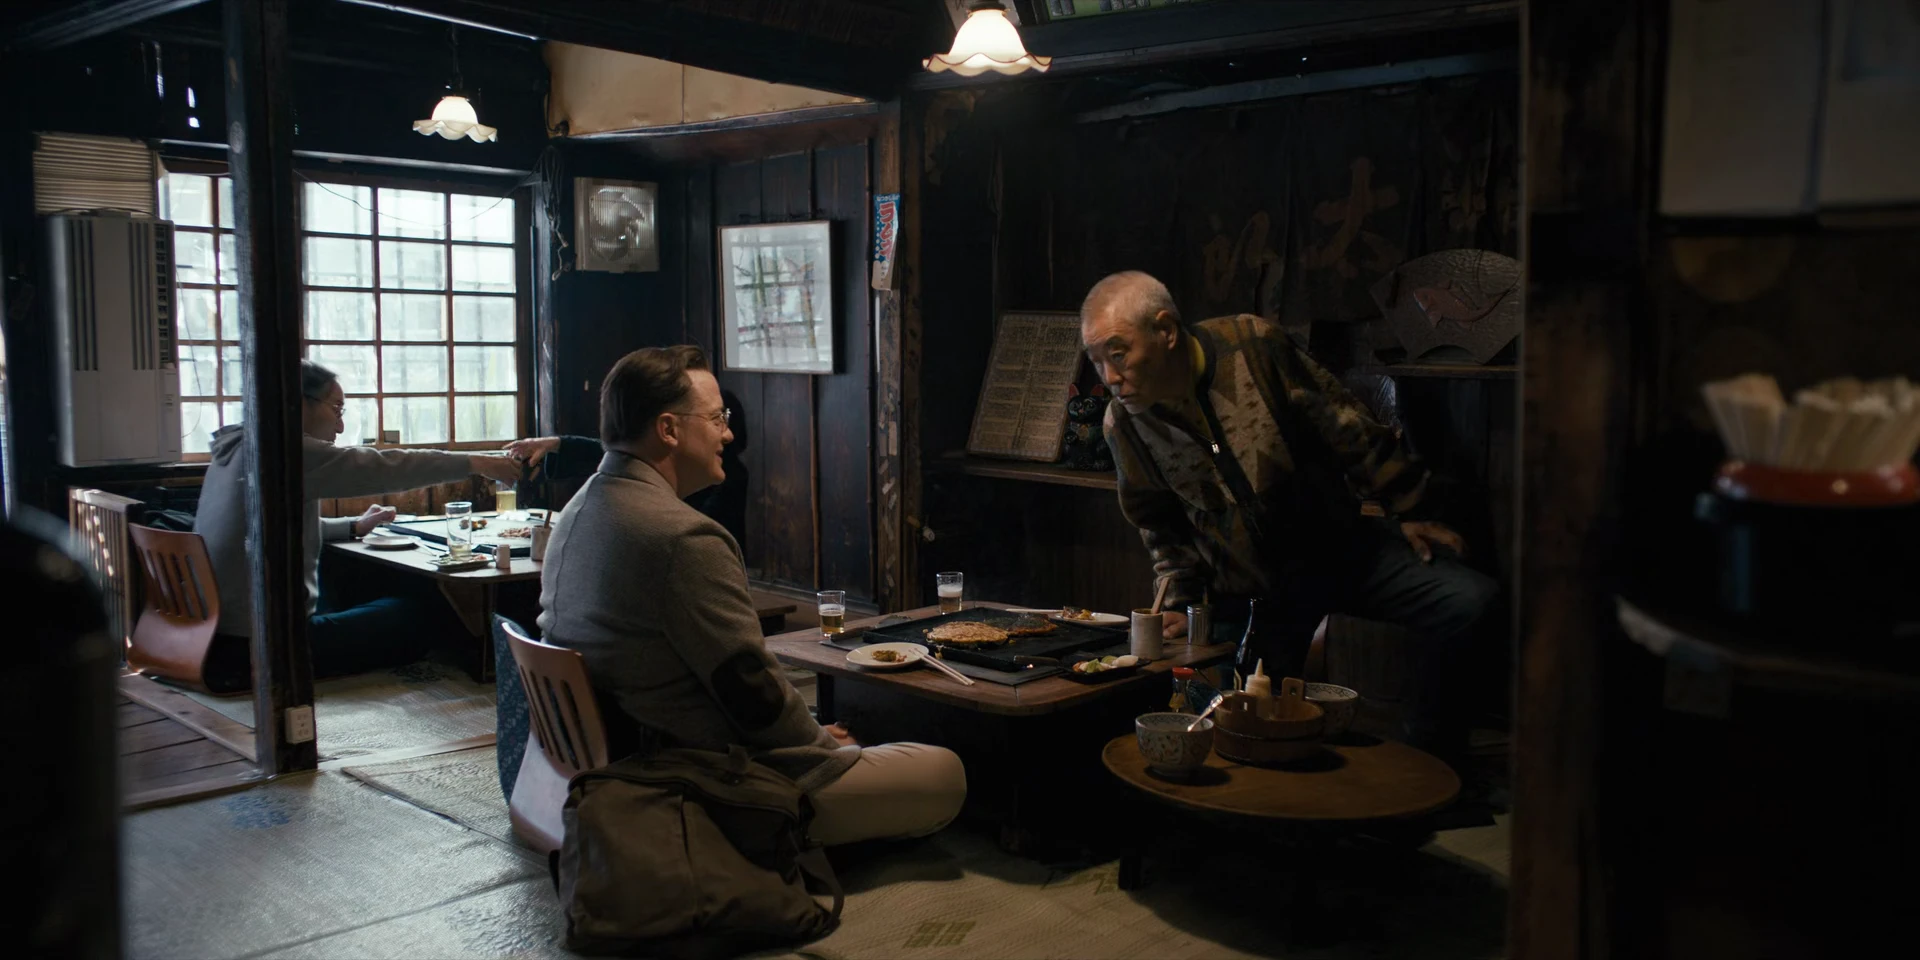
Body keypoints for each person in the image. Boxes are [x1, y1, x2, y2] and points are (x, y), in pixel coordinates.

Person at [536, 345, 965, 845]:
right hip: (698, 783)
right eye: (717, 418)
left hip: (612, 766)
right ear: (668, 429)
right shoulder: (682, 538)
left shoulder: (579, 507)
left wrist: (809, 730)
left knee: (842, 734)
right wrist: (823, 747)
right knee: (943, 771)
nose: (728, 433)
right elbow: (751, 692)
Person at [1082, 271, 1497, 761]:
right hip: (1252, 593)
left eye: (1118, 354)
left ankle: (1429, 761)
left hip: (1343, 551)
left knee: (1469, 601)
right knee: (1246, 732)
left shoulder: (1252, 346)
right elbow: (1157, 520)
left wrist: (1408, 507)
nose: (1109, 377)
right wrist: (1182, 599)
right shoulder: (1124, 424)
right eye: (1096, 360)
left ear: (1166, 331)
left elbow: (1344, 423)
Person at [193, 359, 524, 687]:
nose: (340, 427)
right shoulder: (283, 451)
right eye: (336, 408)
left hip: (209, 634)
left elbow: (271, 528)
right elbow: (385, 467)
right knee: (417, 614)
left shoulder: (237, 448)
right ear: (299, 403)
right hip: (261, 647)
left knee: (352, 576)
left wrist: (353, 527)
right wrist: (476, 462)